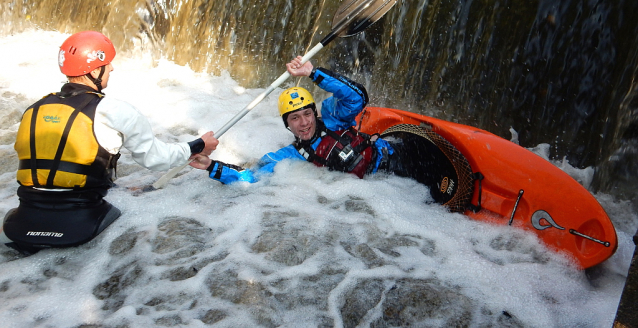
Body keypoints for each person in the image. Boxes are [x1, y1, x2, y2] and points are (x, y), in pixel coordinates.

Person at [0, 31, 219, 255]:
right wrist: (198, 145)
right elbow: (156, 159)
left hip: (25, 219)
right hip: (82, 220)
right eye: (107, 63)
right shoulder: (114, 110)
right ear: (95, 70)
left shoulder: (34, 109)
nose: (111, 68)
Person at [189, 57, 467, 210]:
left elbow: (357, 97)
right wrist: (211, 166)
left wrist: (313, 73)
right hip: (386, 188)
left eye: (307, 114)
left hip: (398, 156)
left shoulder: (333, 115)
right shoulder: (287, 157)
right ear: (287, 125)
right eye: (295, 118)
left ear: (314, 112)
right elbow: (250, 178)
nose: (304, 123)